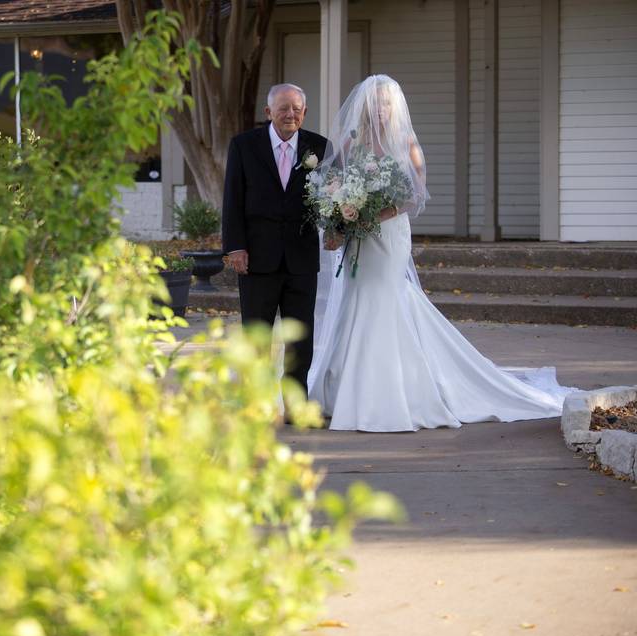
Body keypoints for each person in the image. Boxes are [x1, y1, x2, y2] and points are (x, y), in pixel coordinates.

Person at [307, 75, 574, 432]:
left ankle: (391, 395)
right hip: (360, 236)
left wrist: (375, 214)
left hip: (387, 236)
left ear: (395, 106)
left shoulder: (406, 141)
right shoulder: (351, 141)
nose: (380, 108)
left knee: (384, 298)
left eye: (386, 102)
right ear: (365, 107)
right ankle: (346, 391)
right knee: (357, 299)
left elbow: (416, 195)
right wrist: (340, 219)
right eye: (375, 102)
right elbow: (333, 183)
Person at [222, 83, 329, 415]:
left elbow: (333, 196)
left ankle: (297, 406)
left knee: (301, 337)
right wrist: (235, 247)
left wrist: (337, 228)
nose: (290, 114)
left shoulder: (319, 147)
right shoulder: (244, 146)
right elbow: (232, 199)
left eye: (296, 108)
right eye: (283, 108)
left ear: (305, 112)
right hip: (257, 257)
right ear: (268, 112)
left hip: (301, 257)